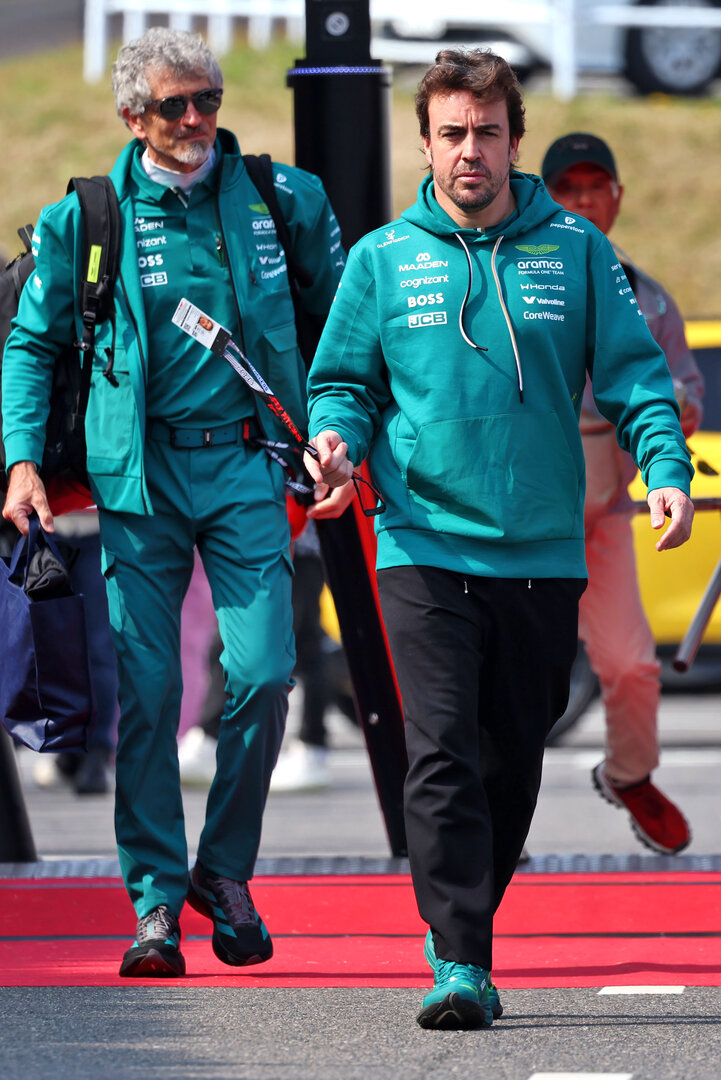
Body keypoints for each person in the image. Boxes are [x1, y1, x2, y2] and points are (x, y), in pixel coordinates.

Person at [304, 48, 694, 1030]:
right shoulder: (381, 261)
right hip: (422, 541)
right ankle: (460, 962)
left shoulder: (575, 250)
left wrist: (664, 471)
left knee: (508, 761)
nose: (467, 151)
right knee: (437, 754)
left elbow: (639, 379)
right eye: (449, 134)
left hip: (542, 551)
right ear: (426, 142)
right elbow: (342, 383)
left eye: (485, 132)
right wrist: (340, 440)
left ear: (511, 139)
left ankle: (465, 927)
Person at [1, 27, 349, 978]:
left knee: (264, 671)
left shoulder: (285, 199)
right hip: (137, 478)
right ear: (131, 116)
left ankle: (222, 872)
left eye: (206, 100)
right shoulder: (87, 218)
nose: (194, 120)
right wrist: (23, 463)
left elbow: (341, 328)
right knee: (150, 695)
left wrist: (332, 431)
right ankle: (155, 902)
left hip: (245, 469)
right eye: (172, 106)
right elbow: (30, 347)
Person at [541, 132, 702, 855]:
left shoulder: (646, 298)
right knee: (507, 677)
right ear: (541, 196)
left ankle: (630, 774)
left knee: (631, 661)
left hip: (604, 513)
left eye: (592, 187)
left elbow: (683, 398)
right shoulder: (514, 274)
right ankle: (476, 816)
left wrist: (653, 404)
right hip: (512, 517)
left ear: (615, 198)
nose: (580, 201)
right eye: (565, 189)